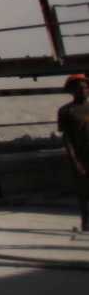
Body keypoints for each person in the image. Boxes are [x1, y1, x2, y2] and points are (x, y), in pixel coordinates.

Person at [57, 73, 89, 233]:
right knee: (84, 192)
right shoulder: (66, 111)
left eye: (85, 87)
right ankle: (87, 223)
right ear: (71, 90)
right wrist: (75, 162)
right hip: (81, 158)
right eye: (79, 88)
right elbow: (67, 139)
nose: (83, 90)